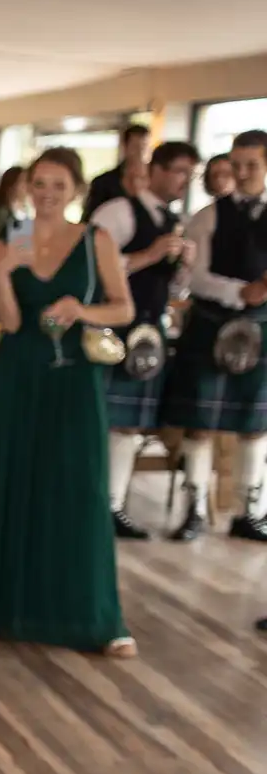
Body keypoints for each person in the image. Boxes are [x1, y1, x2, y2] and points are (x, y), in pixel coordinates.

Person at [0, 148, 137, 656]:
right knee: (15, 483)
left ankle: (94, 616)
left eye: (57, 185)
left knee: (78, 489)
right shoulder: (4, 243)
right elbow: (12, 322)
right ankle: (9, 608)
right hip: (18, 376)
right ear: (26, 187)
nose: (46, 194)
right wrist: (2, 271)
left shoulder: (94, 239)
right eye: (39, 183)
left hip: (74, 382)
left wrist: (79, 308)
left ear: (76, 191)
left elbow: (124, 307)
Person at [163, 128, 267, 542]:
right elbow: (194, 278)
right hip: (211, 322)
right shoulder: (207, 216)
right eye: (236, 164)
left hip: (263, 327)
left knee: (256, 424)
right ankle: (196, 511)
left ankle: (250, 511)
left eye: (251, 165)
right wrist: (240, 292)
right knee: (200, 423)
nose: (241, 173)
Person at [90, 140, 199, 538]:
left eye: (191, 174)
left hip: (150, 333)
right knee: (100, 420)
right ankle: (86, 501)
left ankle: (112, 507)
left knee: (129, 429)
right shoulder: (117, 212)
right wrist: (149, 255)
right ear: (156, 170)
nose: (184, 181)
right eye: (179, 171)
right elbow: (92, 263)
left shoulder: (175, 220)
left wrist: (183, 269)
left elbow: (177, 291)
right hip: (110, 328)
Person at [84, 124, 151, 221]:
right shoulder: (103, 183)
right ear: (125, 147)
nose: (139, 153)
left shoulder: (155, 182)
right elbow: (90, 218)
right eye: (135, 147)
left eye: (143, 147)